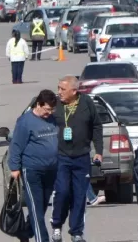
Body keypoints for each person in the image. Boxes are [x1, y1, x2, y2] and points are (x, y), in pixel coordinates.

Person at [51, 75, 104, 242]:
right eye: (58, 88)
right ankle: (57, 225)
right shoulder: (55, 104)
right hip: (61, 157)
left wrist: (99, 150)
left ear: (74, 91)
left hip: (81, 156)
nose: (59, 92)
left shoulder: (86, 102)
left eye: (63, 89)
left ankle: (76, 232)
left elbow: (96, 125)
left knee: (80, 196)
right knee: (62, 192)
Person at [9, 90, 59, 242]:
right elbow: (16, 145)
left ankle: (26, 231)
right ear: (38, 104)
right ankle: (41, 239)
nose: (49, 113)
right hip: (32, 170)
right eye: (47, 109)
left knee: (42, 205)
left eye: (51, 110)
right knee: (35, 208)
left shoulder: (52, 119)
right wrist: (15, 168)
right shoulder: (25, 121)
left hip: (51, 169)